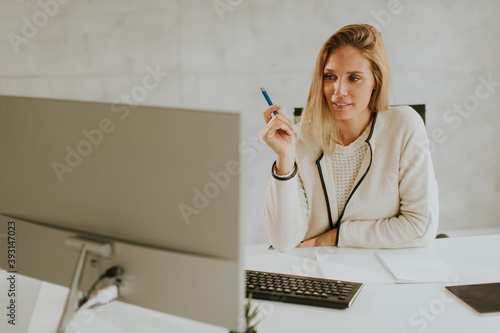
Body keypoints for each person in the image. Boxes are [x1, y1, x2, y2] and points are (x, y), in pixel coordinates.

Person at [261, 24, 439, 252]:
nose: (338, 91)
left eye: (354, 78)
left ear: (376, 81)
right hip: (315, 275)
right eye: (330, 77)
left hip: (379, 271)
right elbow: (283, 242)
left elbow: (420, 226)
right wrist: (284, 159)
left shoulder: (404, 126)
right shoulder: (300, 138)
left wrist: (336, 237)